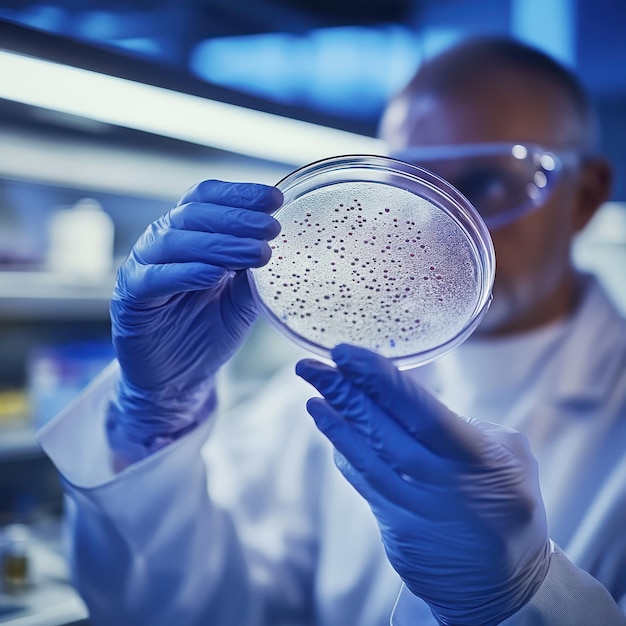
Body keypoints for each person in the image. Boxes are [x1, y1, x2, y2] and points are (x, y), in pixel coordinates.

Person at [38, 37, 626, 625]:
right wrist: (151, 419)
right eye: (412, 187)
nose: (441, 225)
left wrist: (523, 599)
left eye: (489, 181)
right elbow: (191, 614)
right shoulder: (320, 390)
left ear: (587, 196)